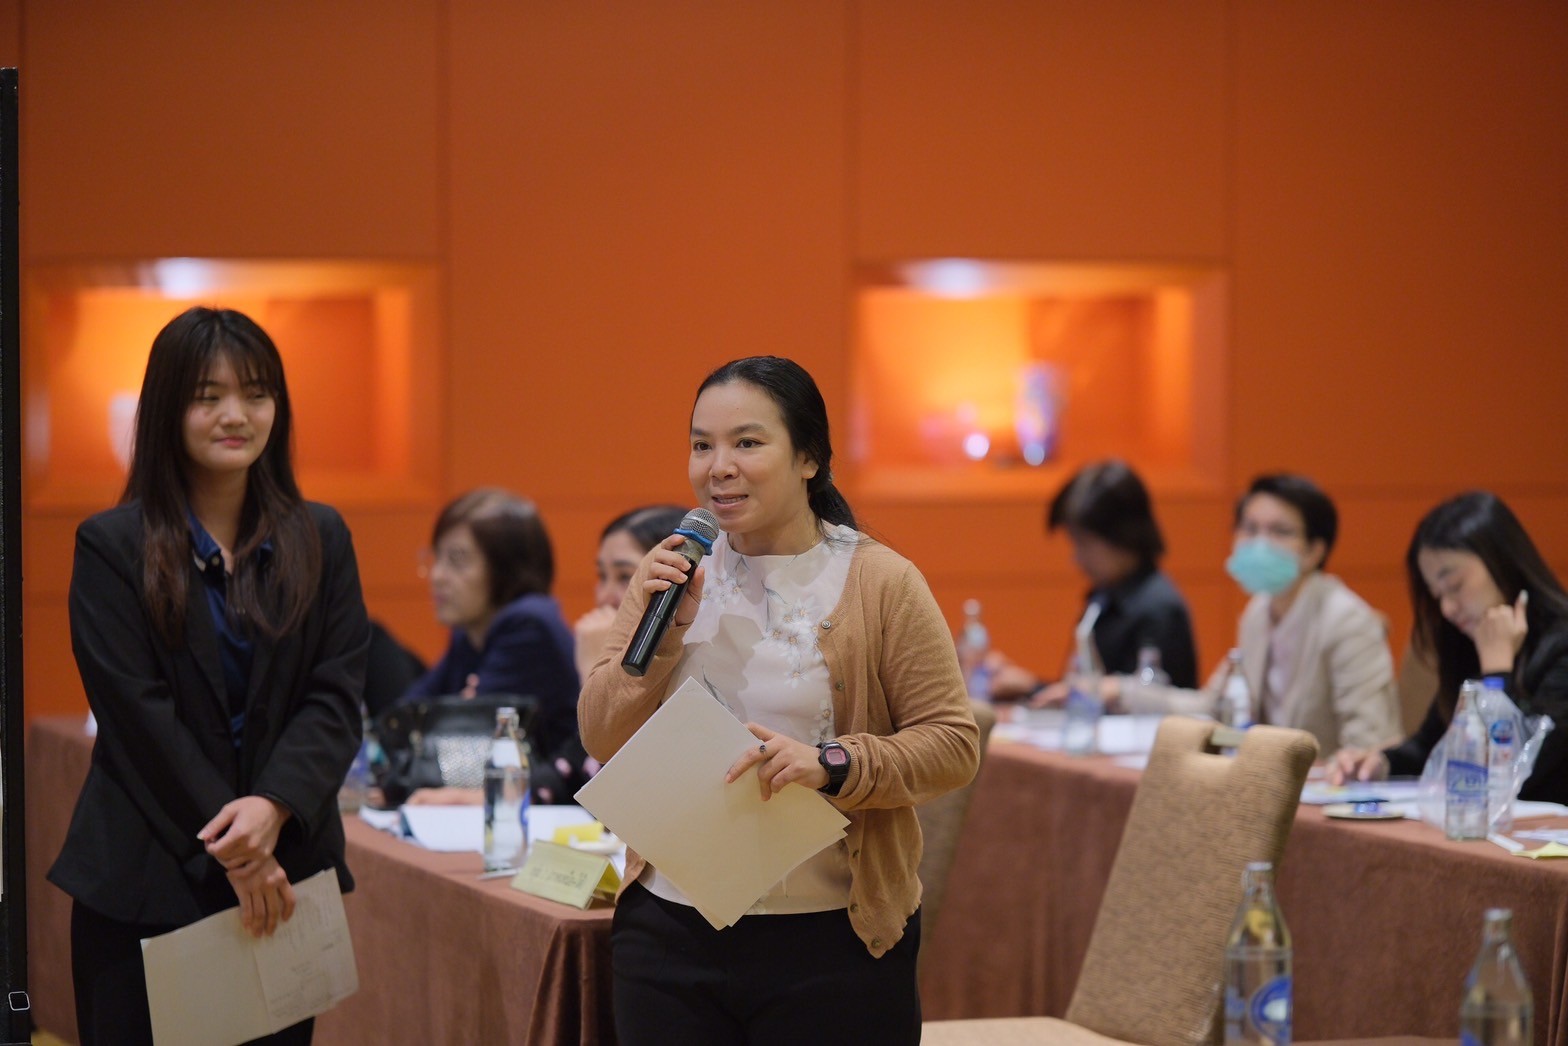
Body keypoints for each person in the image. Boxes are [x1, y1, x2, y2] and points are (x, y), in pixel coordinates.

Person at [579, 356, 979, 1044]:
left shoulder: (880, 582)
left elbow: (952, 744)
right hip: (669, 932)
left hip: (832, 944)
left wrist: (831, 763)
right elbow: (600, 735)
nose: (719, 467)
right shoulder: (673, 569)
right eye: (702, 445)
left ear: (809, 460)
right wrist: (662, 637)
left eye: (747, 442)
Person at [50, 306, 370, 1045]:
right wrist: (240, 847)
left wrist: (274, 807)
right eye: (208, 396)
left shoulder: (321, 536)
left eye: (256, 394)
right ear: (168, 409)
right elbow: (138, 717)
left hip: (286, 873)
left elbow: (334, 694)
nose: (236, 415)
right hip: (147, 876)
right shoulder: (111, 546)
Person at [1330, 492, 1568, 802]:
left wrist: (1497, 674)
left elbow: (1518, 769)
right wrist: (1381, 762)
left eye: (1455, 586)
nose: (1447, 608)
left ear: (1502, 563)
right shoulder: (1469, 645)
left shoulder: (1559, 643)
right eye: (1437, 594)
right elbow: (1430, 745)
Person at [1149, 474, 1400, 756]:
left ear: (1314, 551)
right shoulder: (1258, 612)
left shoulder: (1347, 623)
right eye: (1250, 529)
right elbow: (1212, 704)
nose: (1260, 544)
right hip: (1266, 774)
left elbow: (1369, 744)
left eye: (1280, 531)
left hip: (1322, 778)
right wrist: (1124, 693)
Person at [398, 488, 582, 802]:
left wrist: (460, 707)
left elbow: (462, 734)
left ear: (506, 568)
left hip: (555, 803)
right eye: (436, 557)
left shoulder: (529, 624)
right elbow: (408, 716)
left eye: (457, 560)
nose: (438, 576)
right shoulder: (470, 630)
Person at [989, 460, 1199, 702]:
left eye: (1084, 542)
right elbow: (1086, 692)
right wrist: (1031, 687)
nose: (1077, 558)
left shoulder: (1160, 610)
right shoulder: (1104, 597)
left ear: (1123, 534)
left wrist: (1037, 688)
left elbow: (1153, 704)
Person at [573, 503, 687, 680]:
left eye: (625, 576)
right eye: (602, 575)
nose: (604, 597)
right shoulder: (590, 639)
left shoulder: (692, 653)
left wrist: (594, 669)